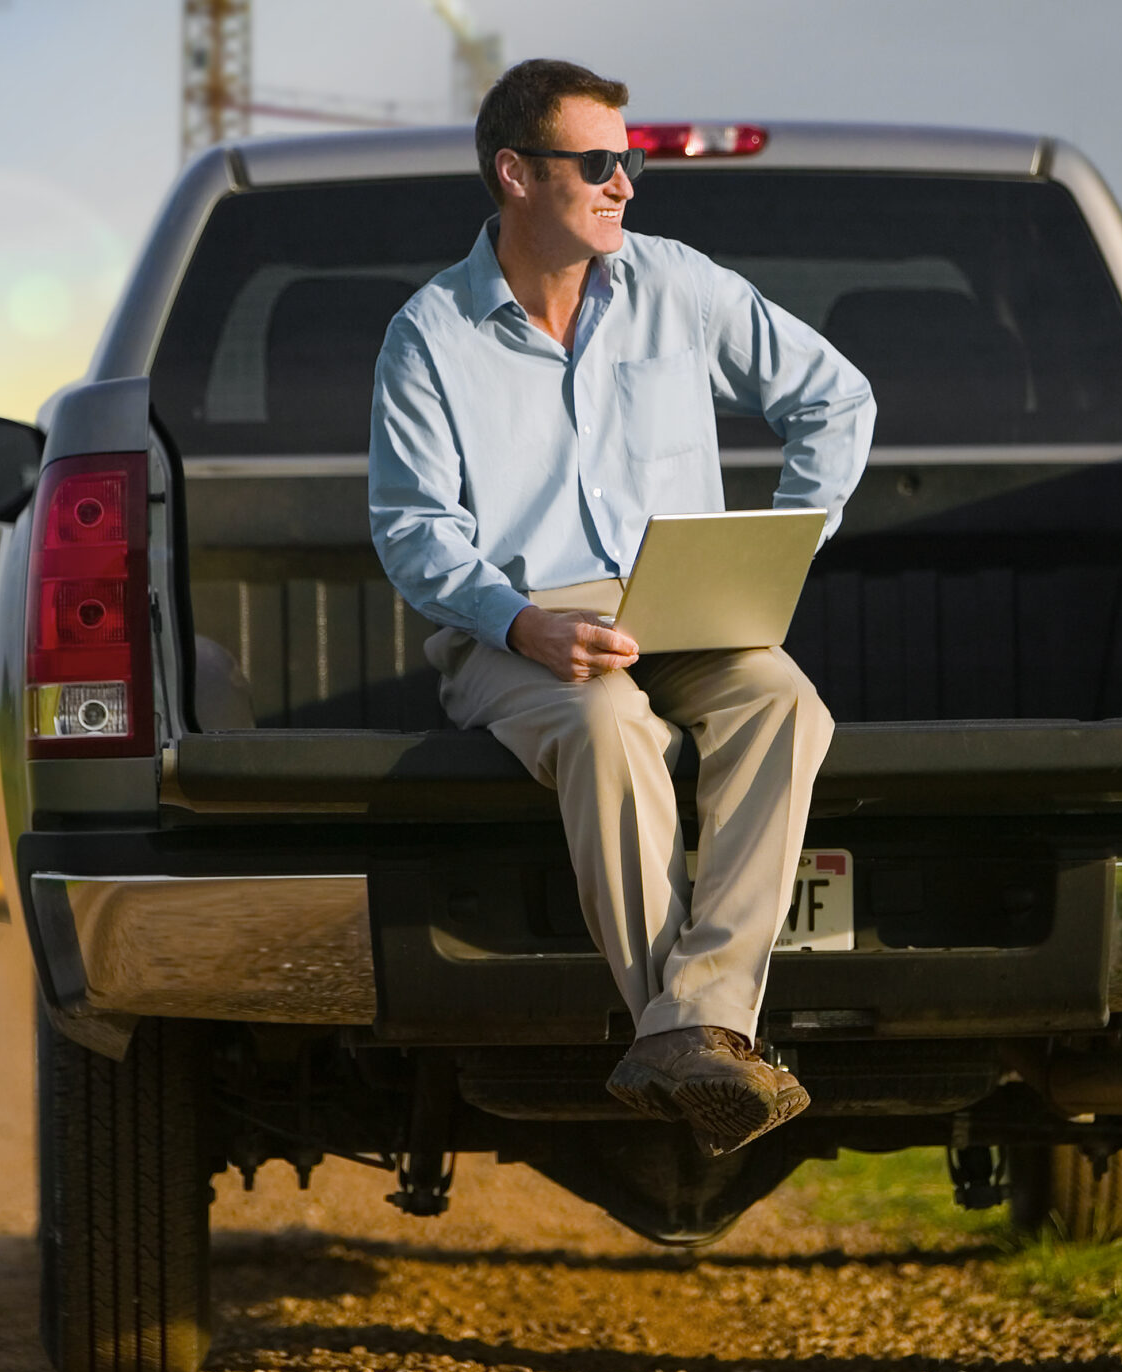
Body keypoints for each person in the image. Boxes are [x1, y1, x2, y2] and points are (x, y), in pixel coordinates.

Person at [367, 59, 875, 1155]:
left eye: (628, 161)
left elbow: (835, 397)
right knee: (607, 726)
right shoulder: (428, 335)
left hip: (678, 606)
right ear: (513, 173)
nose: (625, 186)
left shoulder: (677, 283)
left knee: (787, 703)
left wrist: (789, 536)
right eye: (598, 163)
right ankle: (696, 1043)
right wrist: (523, 624)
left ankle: (687, 1029)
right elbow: (415, 532)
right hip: (513, 626)